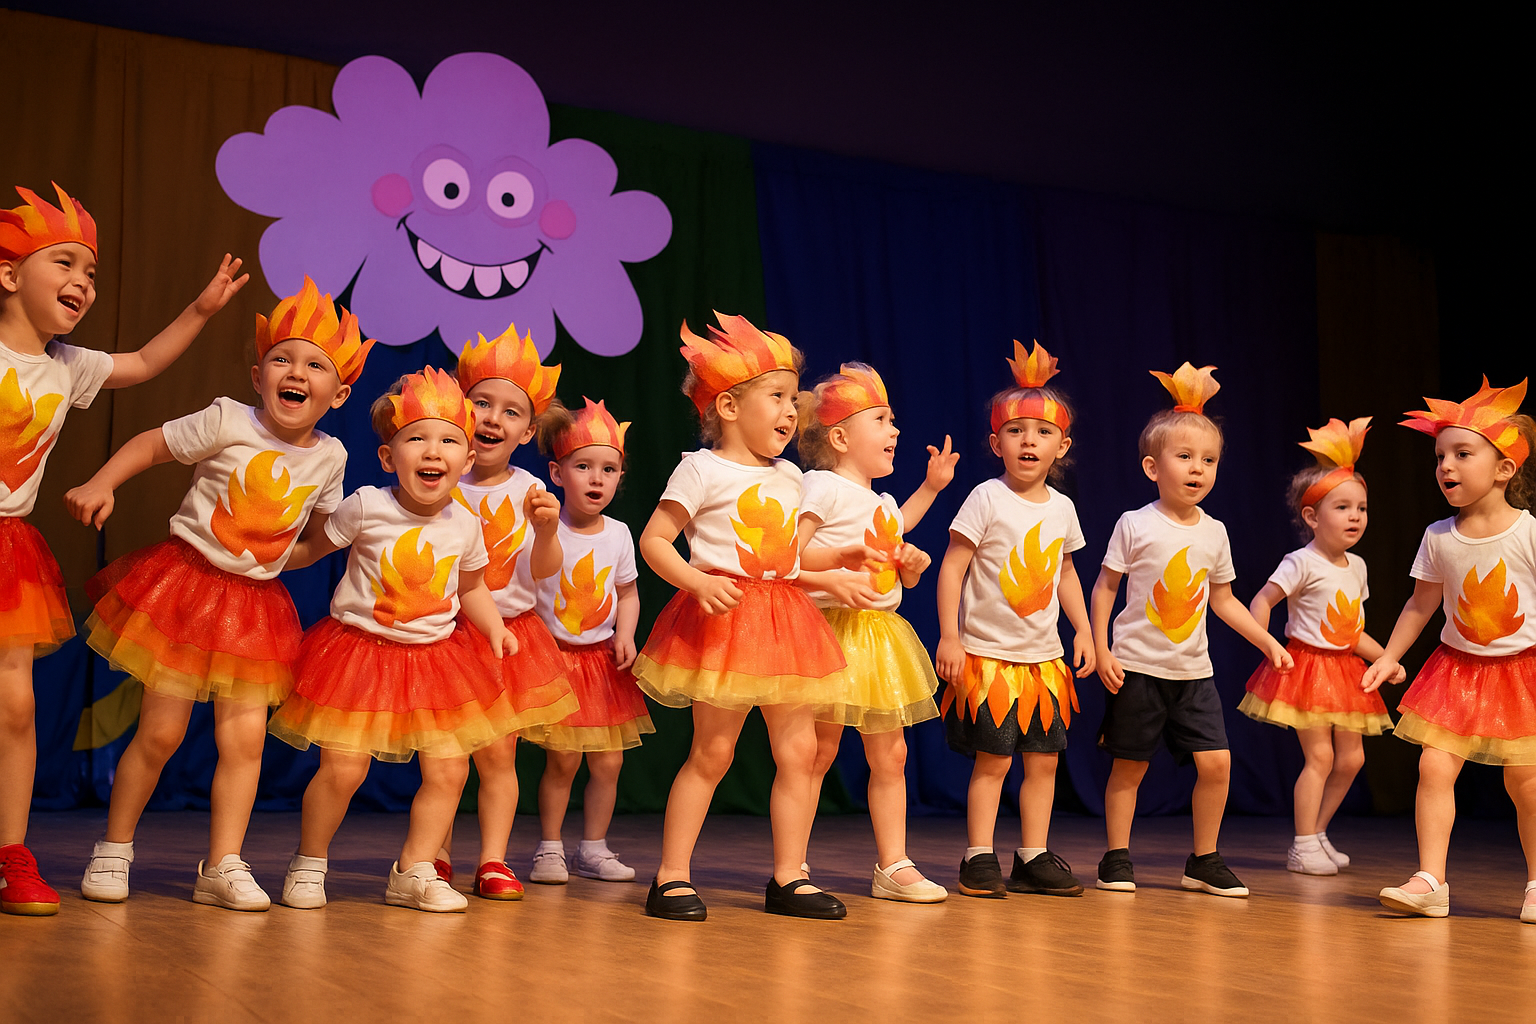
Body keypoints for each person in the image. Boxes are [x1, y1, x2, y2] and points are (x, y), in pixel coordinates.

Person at [70, 276, 362, 911]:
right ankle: (114, 848)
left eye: (316, 365)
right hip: (188, 590)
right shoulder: (229, 419)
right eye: (282, 359)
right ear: (258, 375)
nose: (296, 371)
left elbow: (311, 538)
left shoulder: (332, 457)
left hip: (256, 610)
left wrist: (321, 546)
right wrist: (103, 482)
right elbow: (152, 445)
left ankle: (222, 863)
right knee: (161, 734)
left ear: (337, 394)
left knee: (244, 743)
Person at [0, 180, 246, 916]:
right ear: (9, 274)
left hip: (8, 547)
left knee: (15, 706)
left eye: (91, 273)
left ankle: (13, 853)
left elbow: (139, 364)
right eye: (64, 263)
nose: (81, 282)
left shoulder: (67, 367)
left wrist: (201, 311)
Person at [635, 312, 863, 922]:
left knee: (800, 753)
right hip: (728, 620)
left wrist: (833, 562)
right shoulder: (701, 468)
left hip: (786, 622)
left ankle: (791, 876)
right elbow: (655, 540)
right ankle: (671, 877)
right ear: (730, 406)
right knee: (712, 754)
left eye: (795, 400)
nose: (793, 412)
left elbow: (785, 557)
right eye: (779, 398)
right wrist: (695, 580)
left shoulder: (793, 475)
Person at [267, 368, 518, 913]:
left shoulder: (465, 524)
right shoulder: (365, 505)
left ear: (467, 460)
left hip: (436, 660)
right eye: (417, 439)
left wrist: (494, 624)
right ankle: (309, 863)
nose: (434, 452)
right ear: (388, 458)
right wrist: (271, 554)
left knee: (450, 770)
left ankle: (416, 867)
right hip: (359, 654)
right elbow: (314, 549)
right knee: (344, 768)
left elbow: (471, 585)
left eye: (449, 440)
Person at [1089, 362, 1291, 898]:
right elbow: (1105, 587)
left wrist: (1268, 641)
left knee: (1217, 763)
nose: (1198, 469)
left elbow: (1223, 600)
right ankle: (1116, 855)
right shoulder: (1135, 523)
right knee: (1130, 768)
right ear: (1153, 467)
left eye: (1209, 460)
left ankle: (1204, 858)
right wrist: (1101, 645)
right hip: (1136, 668)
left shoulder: (1216, 532)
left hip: (1192, 673)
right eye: (1185, 458)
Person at [1365, 377, 1536, 922]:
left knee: (1524, 782)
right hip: (1456, 672)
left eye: (1463, 454)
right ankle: (1430, 878)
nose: (1446, 466)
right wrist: (1390, 655)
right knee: (1434, 768)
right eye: (1440, 456)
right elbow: (1420, 605)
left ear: (1505, 468)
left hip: (1520, 672)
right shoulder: (1439, 535)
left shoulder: (1529, 534)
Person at [935, 342, 1094, 898]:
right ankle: (979, 855)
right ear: (995, 442)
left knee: (1044, 764)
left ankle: (1033, 854)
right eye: (1017, 430)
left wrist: (1086, 631)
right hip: (988, 658)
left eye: (1042, 432)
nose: (1030, 441)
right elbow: (953, 568)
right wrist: (950, 635)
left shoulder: (1063, 508)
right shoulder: (985, 497)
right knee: (994, 762)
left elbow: (1066, 574)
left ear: (1062, 446)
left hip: (1043, 661)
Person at [797, 362, 955, 903]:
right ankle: (791, 860)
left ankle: (894, 864)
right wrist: (834, 574)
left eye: (894, 421)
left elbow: (895, 530)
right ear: (840, 436)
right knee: (815, 753)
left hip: (880, 635)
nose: (895, 431)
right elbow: (792, 552)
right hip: (829, 631)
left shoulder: (884, 502)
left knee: (892, 756)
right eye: (882, 420)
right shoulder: (821, 485)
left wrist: (911, 548)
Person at [433, 324, 574, 901]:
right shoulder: (436, 474)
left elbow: (544, 571)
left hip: (509, 638)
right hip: (443, 634)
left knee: (498, 754)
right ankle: (431, 852)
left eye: (510, 411)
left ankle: (492, 859)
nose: (492, 418)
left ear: (528, 430)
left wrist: (546, 529)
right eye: (481, 403)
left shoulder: (530, 489)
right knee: (443, 757)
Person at [1239, 417, 1400, 875]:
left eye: (1362, 508)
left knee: (1352, 758)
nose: (1355, 517)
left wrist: (1385, 657)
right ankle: (1303, 842)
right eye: (1343, 507)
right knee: (1322, 756)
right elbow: (1261, 600)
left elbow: (1350, 630)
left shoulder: (1358, 566)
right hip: (1307, 670)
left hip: (1346, 671)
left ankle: (1318, 832)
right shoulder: (1300, 563)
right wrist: (1268, 644)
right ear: (1311, 516)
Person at [523, 398, 652, 885]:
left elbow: (628, 592)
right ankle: (550, 848)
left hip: (599, 665)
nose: (597, 479)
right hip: (554, 661)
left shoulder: (619, 533)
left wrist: (626, 633)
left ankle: (594, 847)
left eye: (609, 469)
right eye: (584, 467)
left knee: (609, 761)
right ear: (557, 473)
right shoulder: (544, 528)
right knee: (562, 760)